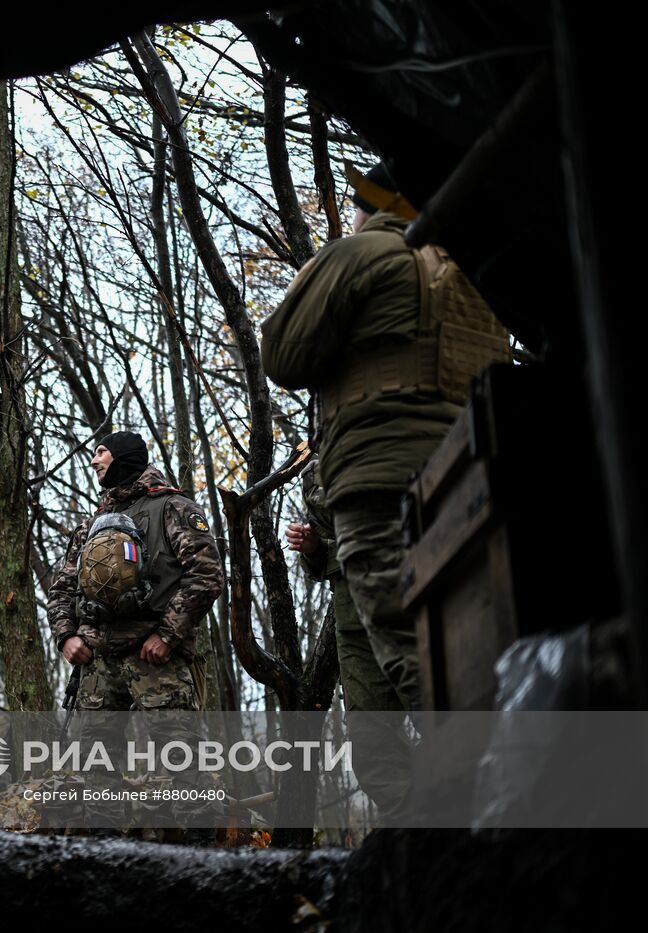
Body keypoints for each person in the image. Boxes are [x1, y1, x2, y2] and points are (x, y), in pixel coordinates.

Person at [261, 164, 510, 713]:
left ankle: (493, 781)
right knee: (467, 638)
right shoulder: (475, 273)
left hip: (379, 479)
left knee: (414, 658)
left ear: (374, 207)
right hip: (468, 473)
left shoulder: (364, 252)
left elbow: (282, 354)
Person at [47, 431, 223, 714]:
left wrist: (167, 635)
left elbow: (207, 575)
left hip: (155, 658)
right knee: (94, 757)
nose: (93, 461)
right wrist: (66, 636)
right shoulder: (92, 524)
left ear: (123, 456)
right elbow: (62, 588)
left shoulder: (173, 508)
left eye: (101, 452)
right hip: (97, 664)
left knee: (174, 754)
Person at [286, 459, 410, 815]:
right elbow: (341, 537)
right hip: (355, 616)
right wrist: (315, 548)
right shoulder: (319, 465)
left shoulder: (393, 439)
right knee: (371, 742)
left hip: (415, 599)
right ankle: (414, 833)